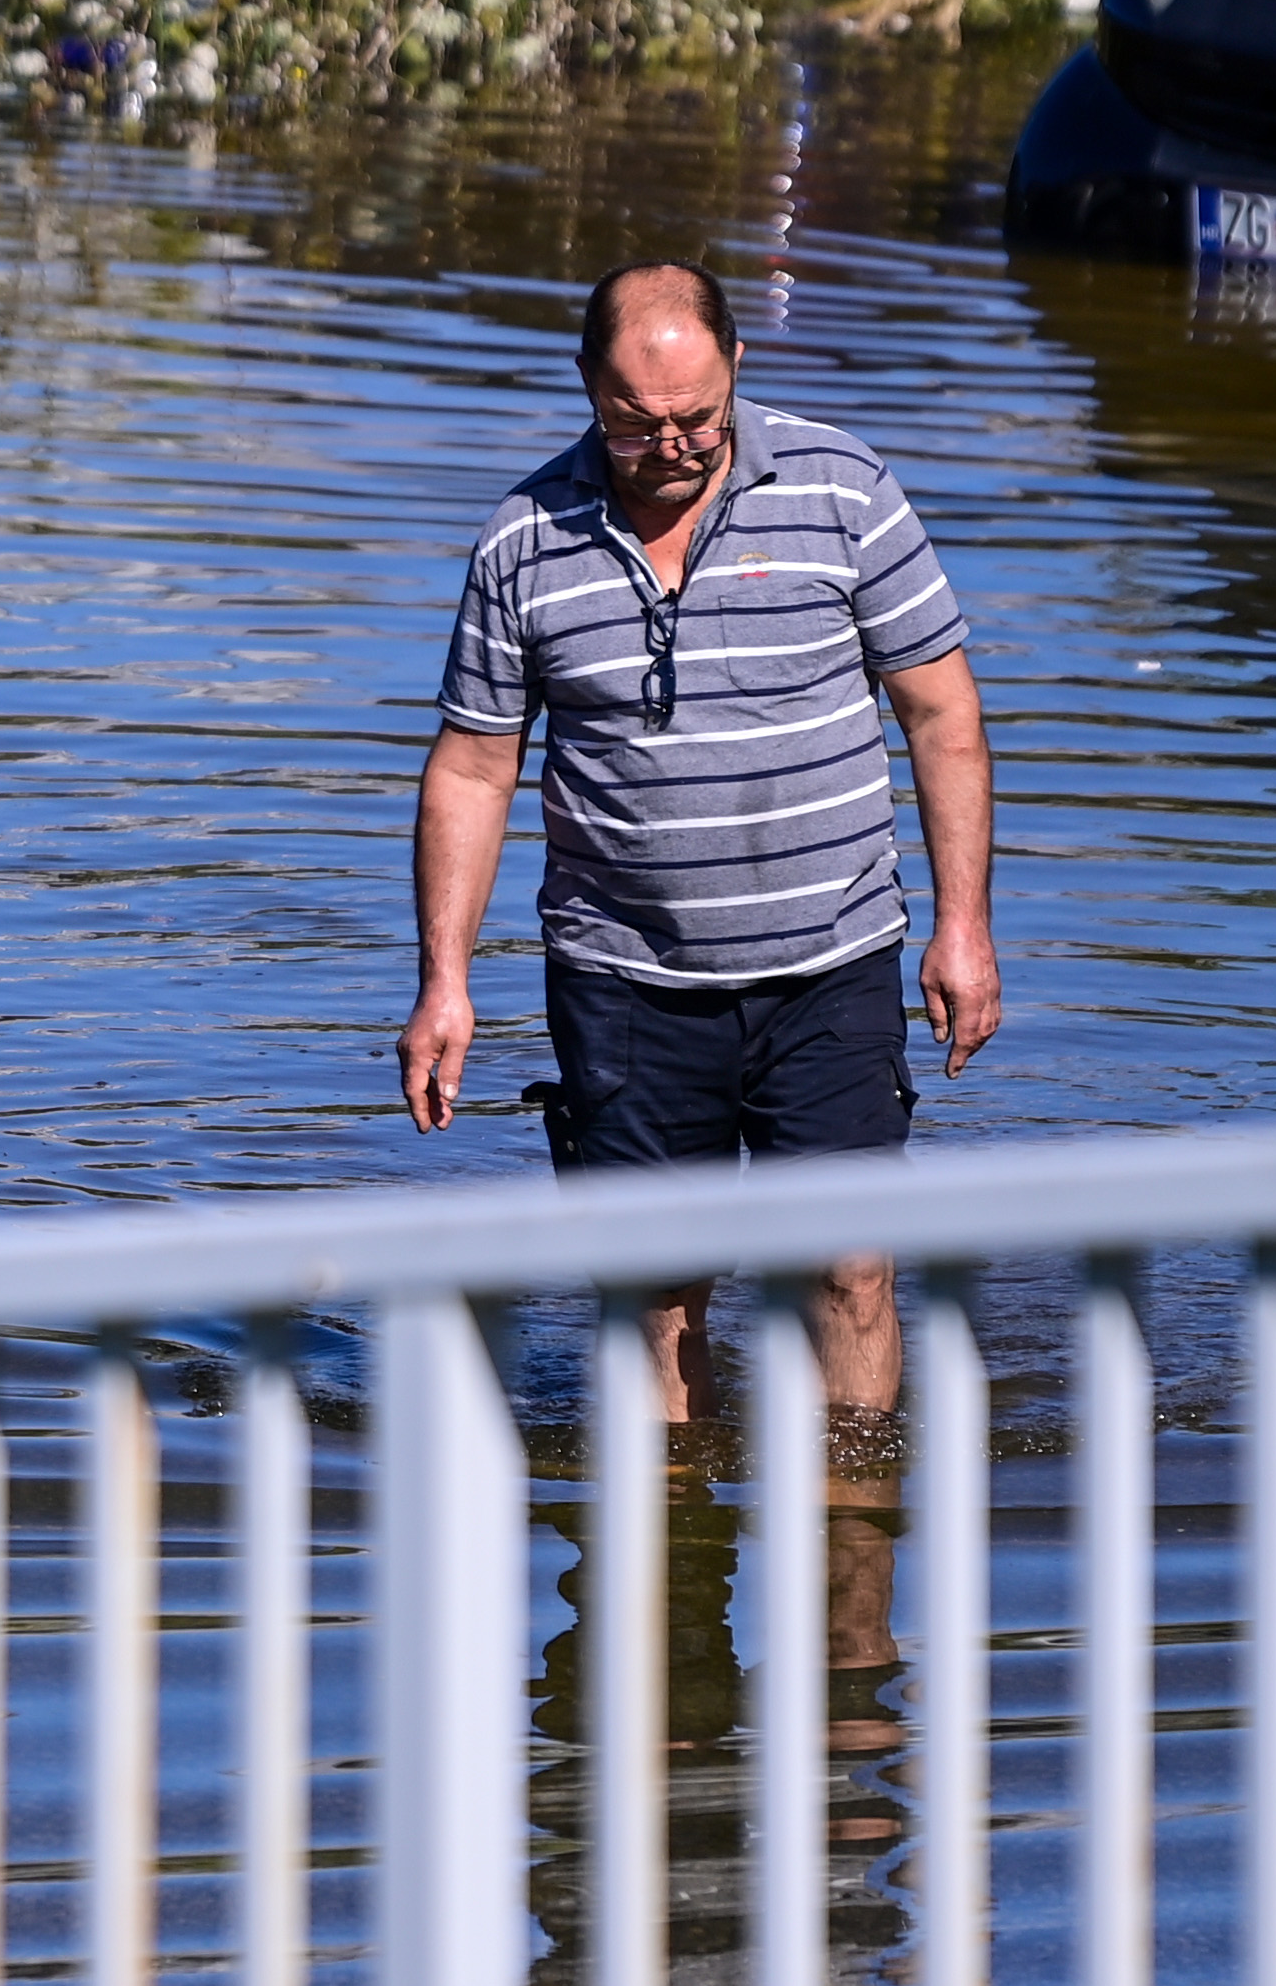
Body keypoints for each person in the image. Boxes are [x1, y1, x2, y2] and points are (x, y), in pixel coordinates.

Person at [398, 257, 998, 1434]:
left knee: (850, 1271)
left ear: (737, 371)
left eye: (697, 419)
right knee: (657, 1299)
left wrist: (962, 927)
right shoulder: (523, 541)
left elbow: (943, 714)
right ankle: (666, 1572)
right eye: (635, 424)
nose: (671, 446)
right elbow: (473, 767)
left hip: (830, 967)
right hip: (625, 984)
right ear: (587, 389)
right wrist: (445, 984)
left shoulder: (845, 489)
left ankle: (855, 1574)